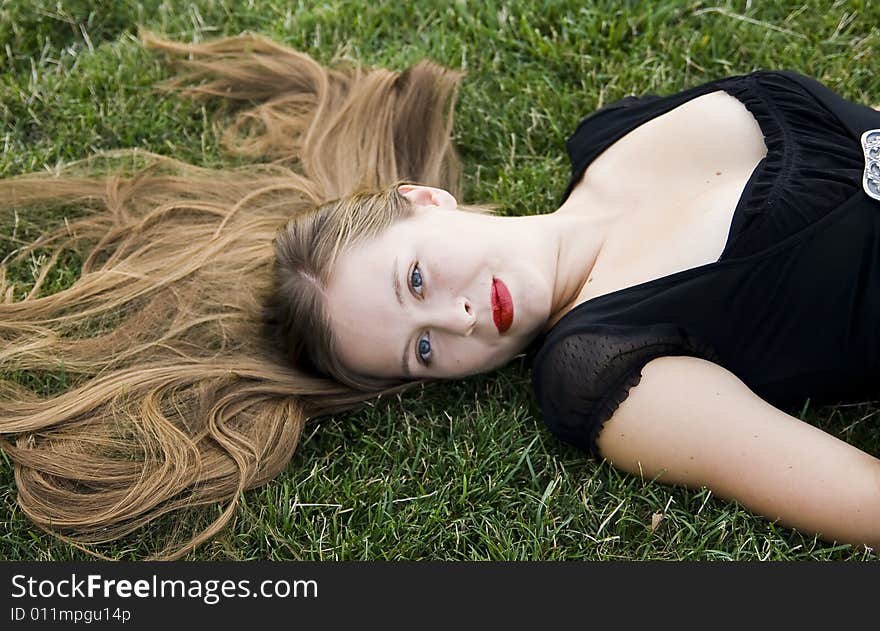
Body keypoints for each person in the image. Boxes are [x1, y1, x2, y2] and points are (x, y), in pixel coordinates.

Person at [1, 31, 878, 559]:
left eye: (415, 279)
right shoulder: (601, 368)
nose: (457, 319)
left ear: (426, 201)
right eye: (424, 350)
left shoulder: (613, 133)